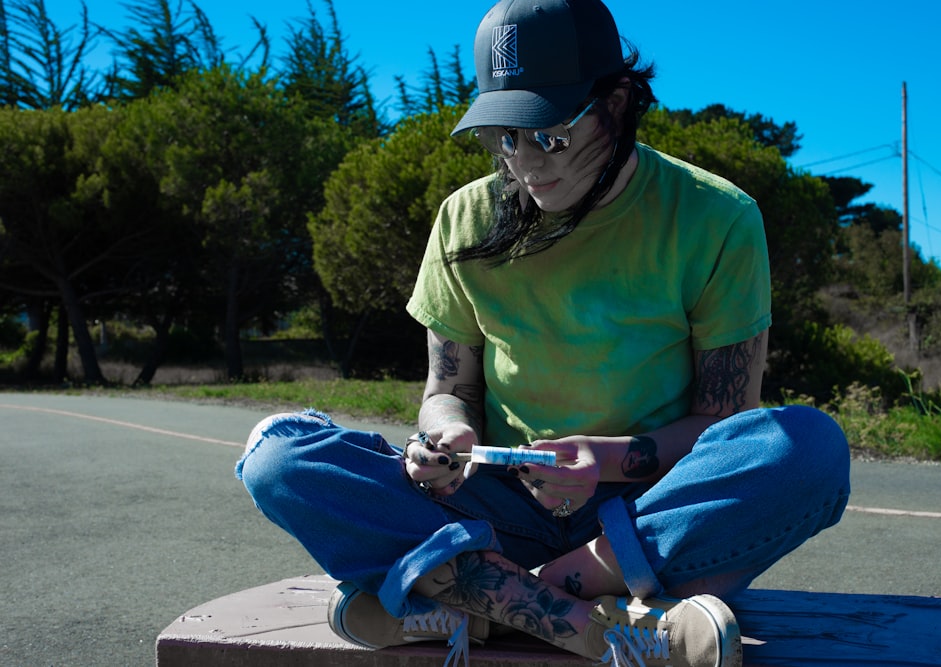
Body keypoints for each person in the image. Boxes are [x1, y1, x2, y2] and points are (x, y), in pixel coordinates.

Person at [236, 1, 851, 666]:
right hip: (495, 509)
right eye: (504, 136)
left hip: (643, 517)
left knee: (809, 450)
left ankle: (475, 601)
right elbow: (447, 388)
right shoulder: (464, 218)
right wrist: (446, 435)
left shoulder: (717, 218)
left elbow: (725, 421)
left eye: (548, 135)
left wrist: (605, 459)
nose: (526, 162)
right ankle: (597, 627)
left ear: (616, 103)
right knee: (280, 454)